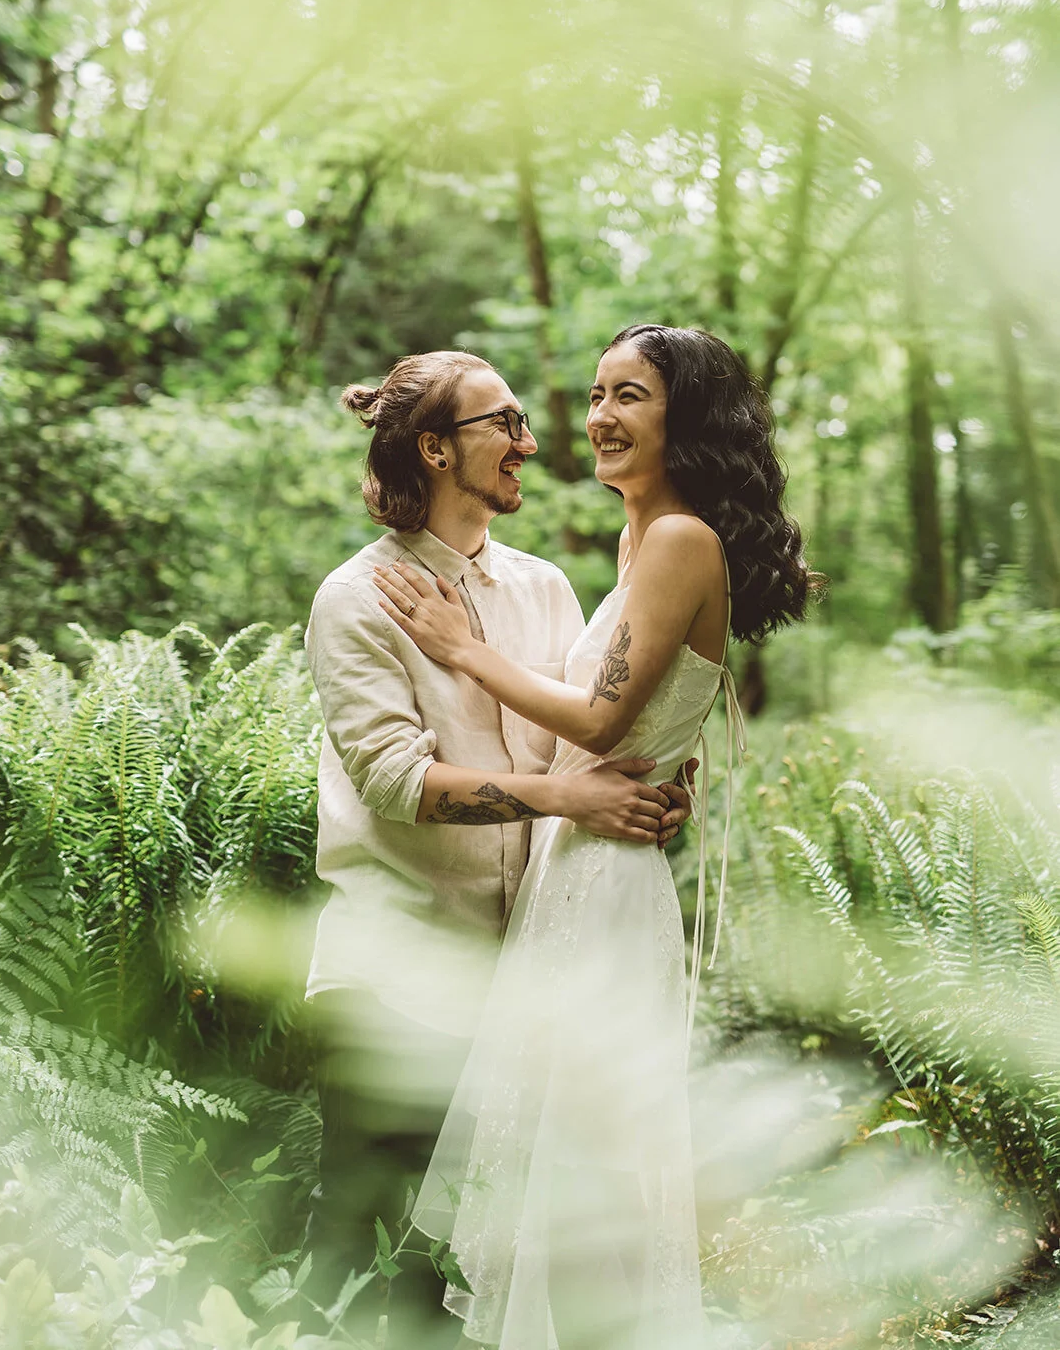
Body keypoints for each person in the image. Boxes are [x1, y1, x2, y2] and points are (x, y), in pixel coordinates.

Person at [374, 325, 815, 1350]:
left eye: (632, 397)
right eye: (596, 393)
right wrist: (666, 769)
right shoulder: (642, 538)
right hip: (575, 867)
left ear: (684, 419)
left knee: (587, 1176)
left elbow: (602, 722)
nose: (600, 418)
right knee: (551, 1177)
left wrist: (460, 648)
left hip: (608, 892)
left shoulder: (677, 541)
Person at [302, 348, 694, 1346]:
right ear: (435, 449)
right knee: (377, 1273)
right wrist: (566, 794)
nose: (528, 442)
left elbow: (583, 739)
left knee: (501, 1273)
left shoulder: (545, 586)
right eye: (502, 424)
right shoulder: (357, 599)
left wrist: (642, 796)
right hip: (397, 977)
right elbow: (394, 783)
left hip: (529, 977)